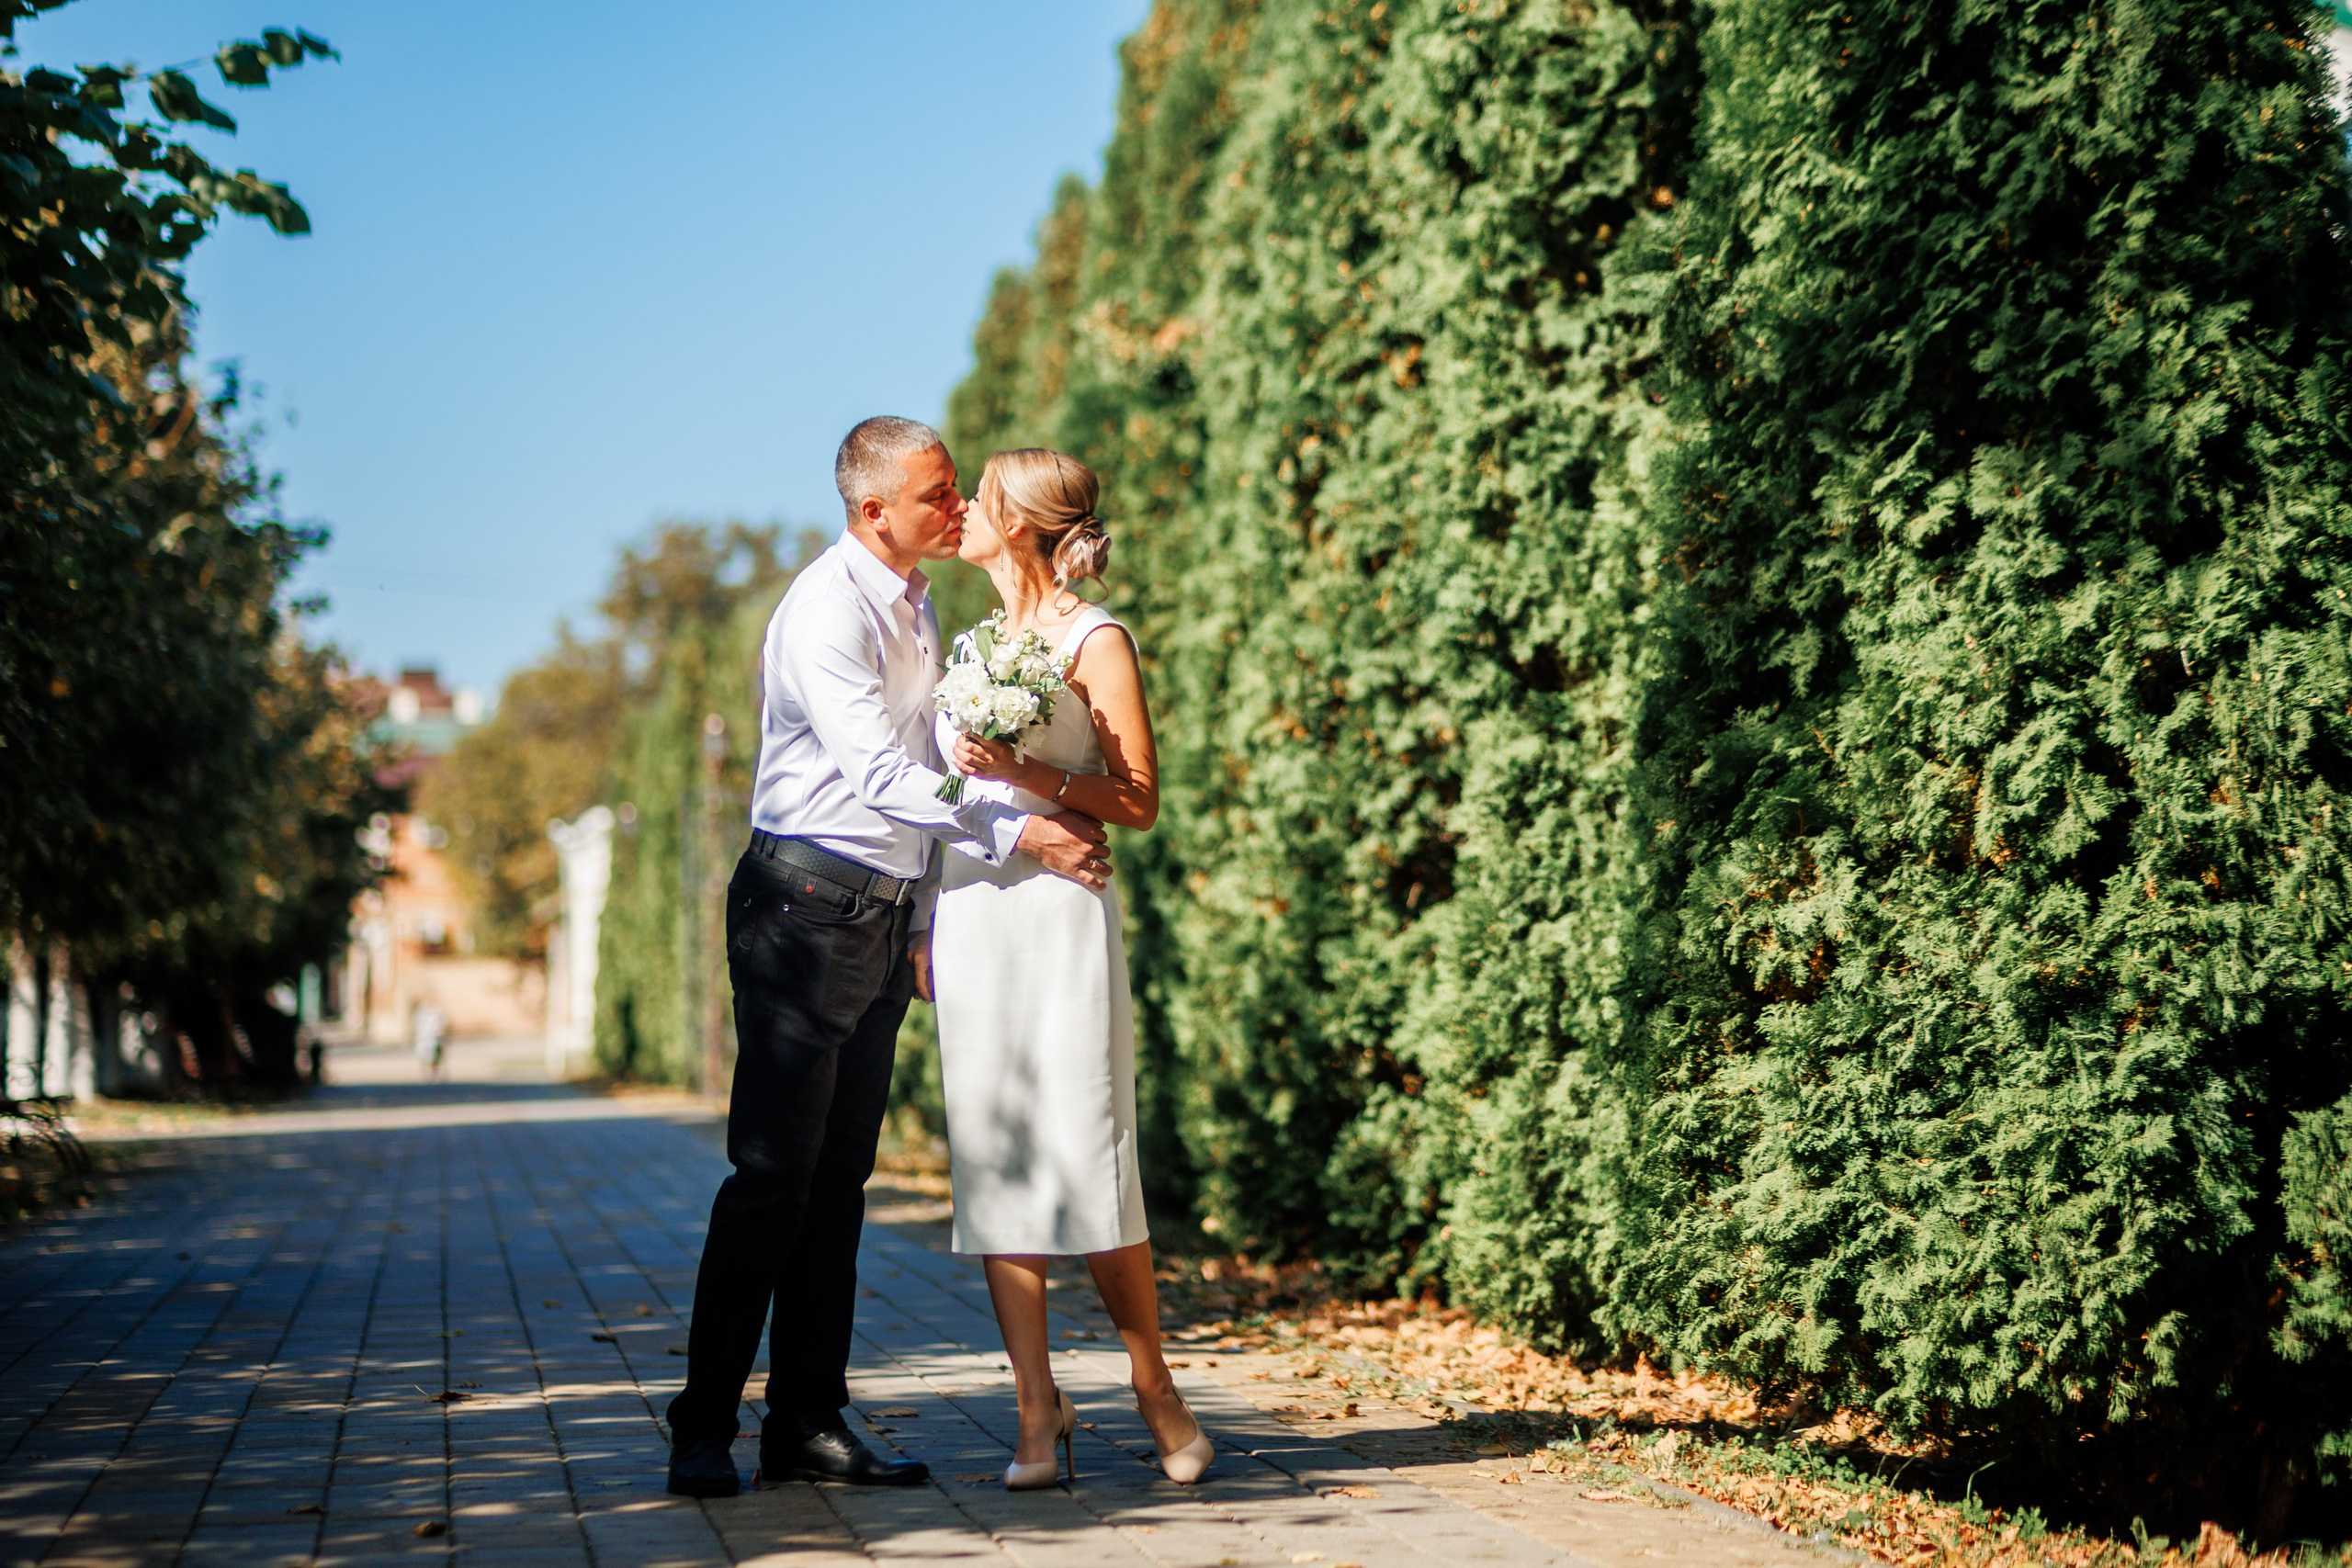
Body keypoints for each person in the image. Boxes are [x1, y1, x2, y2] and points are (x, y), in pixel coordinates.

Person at [663, 418, 1113, 1499]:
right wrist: (1019, 832)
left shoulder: (916, 603)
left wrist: (919, 918)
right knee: (771, 1178)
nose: (959, 510)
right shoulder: (826, 610)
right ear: (874, 511)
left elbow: (923, 761)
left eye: (957, 490)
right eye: (939, 495)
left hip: (873, 918)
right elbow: (877, 776)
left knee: (839, 1183)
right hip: (800, 914)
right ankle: (702, 1428)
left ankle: (806, 1421)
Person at [926, 449, 1215, 1490]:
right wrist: (925, 921)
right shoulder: (966, 647)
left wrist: (1029, 773)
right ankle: (1035, 1410)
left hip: (1059, 917)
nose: (959, 510)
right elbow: (937, 799)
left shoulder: (1096, 639)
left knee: (1087, 1147)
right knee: (995, 1156)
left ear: (1025, 524)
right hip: (970, 915)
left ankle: (1153, 1386)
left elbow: (1136, 801)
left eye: (980, 498)